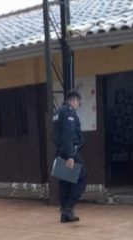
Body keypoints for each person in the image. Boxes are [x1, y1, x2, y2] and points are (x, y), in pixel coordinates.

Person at [52, 90, 87, 223]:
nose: (78, 105)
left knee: (65, 182)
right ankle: (67, 207)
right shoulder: (69, 112)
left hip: (60, 151)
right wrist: (71, 156)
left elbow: (55, 135)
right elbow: (68, 135)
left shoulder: (58, 112)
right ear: (73, 100)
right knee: (82, 179)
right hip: (69, 152)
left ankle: (65, 215)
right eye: (79, 102)